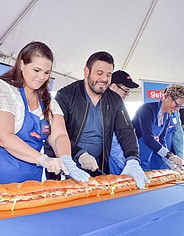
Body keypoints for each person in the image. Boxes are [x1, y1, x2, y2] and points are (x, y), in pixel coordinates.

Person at [0, 41, 90, 184]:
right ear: (22, 65)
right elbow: (3, 136)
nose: (42, 77)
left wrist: (67, 160)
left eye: (46, 72)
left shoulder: (47, 100)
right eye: (36, 70)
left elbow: (59, 135)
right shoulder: (1, 90)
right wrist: (43, 160)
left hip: (32, 182)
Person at [44, 51, 150, 189]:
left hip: (97, 169)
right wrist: (80, 154)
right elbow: (56, 133)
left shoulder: (115, 100)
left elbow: (126, 131)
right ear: (86, 72)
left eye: (108, 74)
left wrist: (132, 159)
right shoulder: (66, 95)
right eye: (99, 73)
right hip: (65, 166)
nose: (104, 79)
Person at [132, 83, 184, 170]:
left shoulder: (167, 117)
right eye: (177, 105)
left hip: (149, 154)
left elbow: (162, 140)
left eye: (180, 107)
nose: (177, 109)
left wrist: (170, 160)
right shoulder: (147, 109)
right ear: (168, 97)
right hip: (136, 153)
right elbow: (148, 138)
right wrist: (169, 155)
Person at [108, 70, 140, 174]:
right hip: (110, 163)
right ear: (113, 87)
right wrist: (126, 165)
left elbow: (128, 133)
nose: (126, 95)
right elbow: (114, 144)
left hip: (119, 161)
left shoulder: (119, 108)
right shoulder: (106, 108)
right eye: (125, 91)